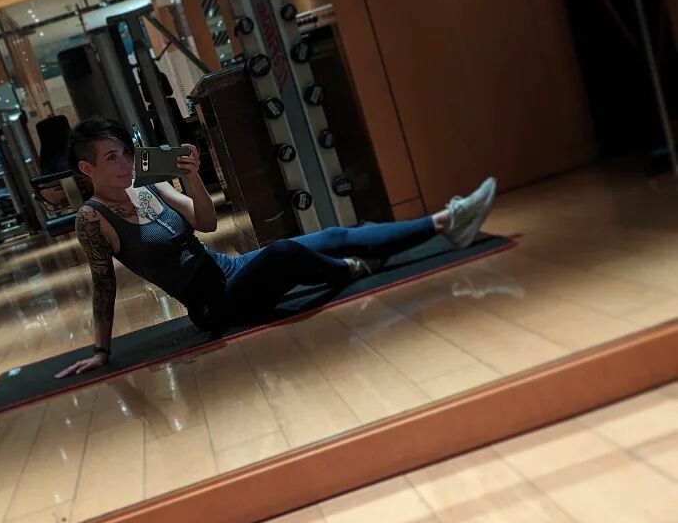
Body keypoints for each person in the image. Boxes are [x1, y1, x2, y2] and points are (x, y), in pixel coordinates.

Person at [56, 117, 497, 378]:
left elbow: (206, 223)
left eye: (125, 153)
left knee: (332, 235)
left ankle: (447, 221)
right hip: (212, 305)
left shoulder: (147, 186)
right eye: (111, 157)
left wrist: (191, 179)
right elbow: (103, 285)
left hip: (230, 269)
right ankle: (350, 269)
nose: (125, 163)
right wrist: (101, 351)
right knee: (284, 253)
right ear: (86, 168)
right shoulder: (92, 219)